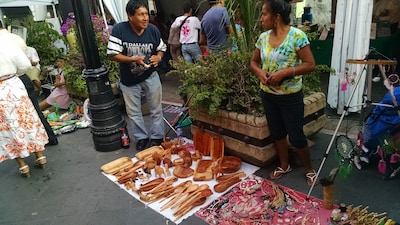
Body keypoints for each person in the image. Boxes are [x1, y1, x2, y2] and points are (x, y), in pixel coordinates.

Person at [249, 0, 318, 186]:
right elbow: (253, 63)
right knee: (277, 132)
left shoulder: (297, 36)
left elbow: (310, 64)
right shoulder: (263, 38)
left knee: (296, 136)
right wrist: (260, 73)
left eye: (264, 14)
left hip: (291, 97)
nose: (261, 18)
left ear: (276, 17)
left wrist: (286, 72)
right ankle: (284, 165)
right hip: (268, 95)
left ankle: (309, 169)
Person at [107, 0, 167, 151]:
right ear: (130, 16)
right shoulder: (120, 29)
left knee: (156, 108)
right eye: (141, 14)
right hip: (129, 79)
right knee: (133, 112)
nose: (145, 18)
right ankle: (141, 138)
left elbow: (161, 47)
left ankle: (157, 137)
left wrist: (158, 57)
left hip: (150, 75)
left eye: (146, 13)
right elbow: (112, 54)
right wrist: (133, 59)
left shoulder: (152, 29)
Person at [0, 22, 58, 146]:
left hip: (9, 80)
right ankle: (47, 137)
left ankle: (26, 144)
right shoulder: (15, 38)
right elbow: (25, 63)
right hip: (21, 77)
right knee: (34, 109)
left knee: (11, 118)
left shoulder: (4, 41)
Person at [0, 34, 48, 178]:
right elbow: (25, 65)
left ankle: (23, 166)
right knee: (26, 120)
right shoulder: (7, 41)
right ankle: (40, 156)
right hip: (13, 84)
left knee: (7, 127)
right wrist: (14, 74)